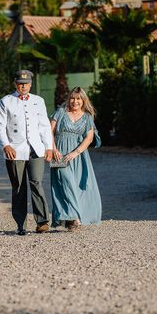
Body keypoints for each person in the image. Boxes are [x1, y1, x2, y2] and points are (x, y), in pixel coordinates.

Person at [0, 69, 54, 236]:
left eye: (26, 83)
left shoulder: (38, 100)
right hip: (15, 150)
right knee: (19, 187)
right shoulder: (6, 101)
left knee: (37, 183)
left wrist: (48, 146)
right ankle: (21, 224)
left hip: (36, 149)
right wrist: (6, 145)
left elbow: (44, 125)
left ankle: (42, 221)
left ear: (30, 84)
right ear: (15, 84)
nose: (23, 86)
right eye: (20, 84)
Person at [49, 86, 102, 229]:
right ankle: (74, 217)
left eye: (78, 98)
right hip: (60, 155)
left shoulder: (87, 117)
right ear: (69, 99)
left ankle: (71, 218)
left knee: (77, 186)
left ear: (83, 100)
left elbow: (89, 138)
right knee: (66, 184)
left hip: (78, 156)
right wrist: (53, 149)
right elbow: (49, 131)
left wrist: (76, 152)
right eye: (72, 98)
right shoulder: (60, 112)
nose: (75, 101)